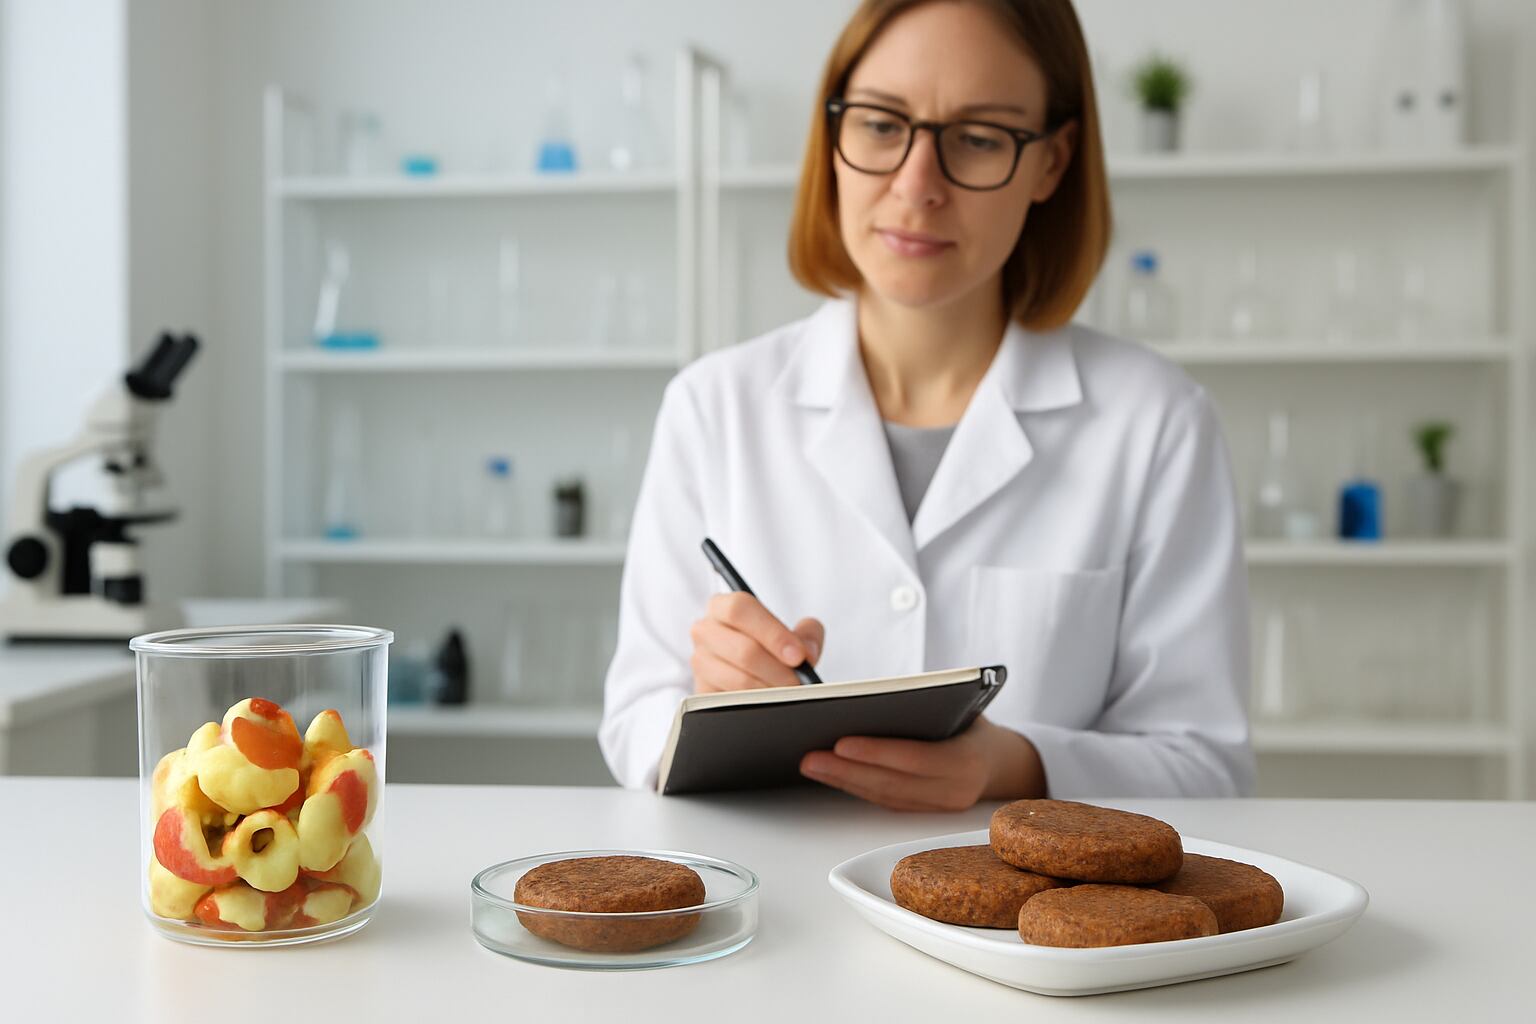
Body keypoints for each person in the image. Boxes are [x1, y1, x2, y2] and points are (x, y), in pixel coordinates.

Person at [600, 0, 1254, 808]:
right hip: (780, 914)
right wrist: (710, 705)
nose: (917, 186)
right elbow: (634, 726)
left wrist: (1010, 767)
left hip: (1028, 926)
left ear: (1053, 161)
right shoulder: (714, 407)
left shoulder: (1157, 425)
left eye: (978, 139)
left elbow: (1207, 767)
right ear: (832, 136)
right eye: (880, 125)